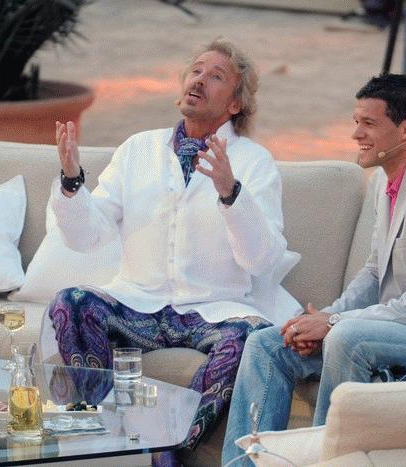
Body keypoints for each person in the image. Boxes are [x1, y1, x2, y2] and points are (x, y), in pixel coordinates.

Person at [222, 73, 406, 464]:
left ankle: (326, 462)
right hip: (401, 326)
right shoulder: (389, 181)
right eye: (356, 121)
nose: (356, 133)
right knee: (268, 344)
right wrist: (325, 317)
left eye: (369, 123)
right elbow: (375, 272)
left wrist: (334, 323)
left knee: (347, 338)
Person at [43, 38, 299, 467]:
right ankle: (107, 437)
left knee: (251, 339)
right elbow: (87, 237)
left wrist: (230, 192)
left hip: (213, 311)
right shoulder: (138, 149)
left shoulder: (253, 162)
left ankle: (167, 448)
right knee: (71, 302)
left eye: (215, 76)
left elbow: (262, 260)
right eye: (196, 70)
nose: (199, 80)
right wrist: (71, 181)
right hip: (139, 305)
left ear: (235, 104)